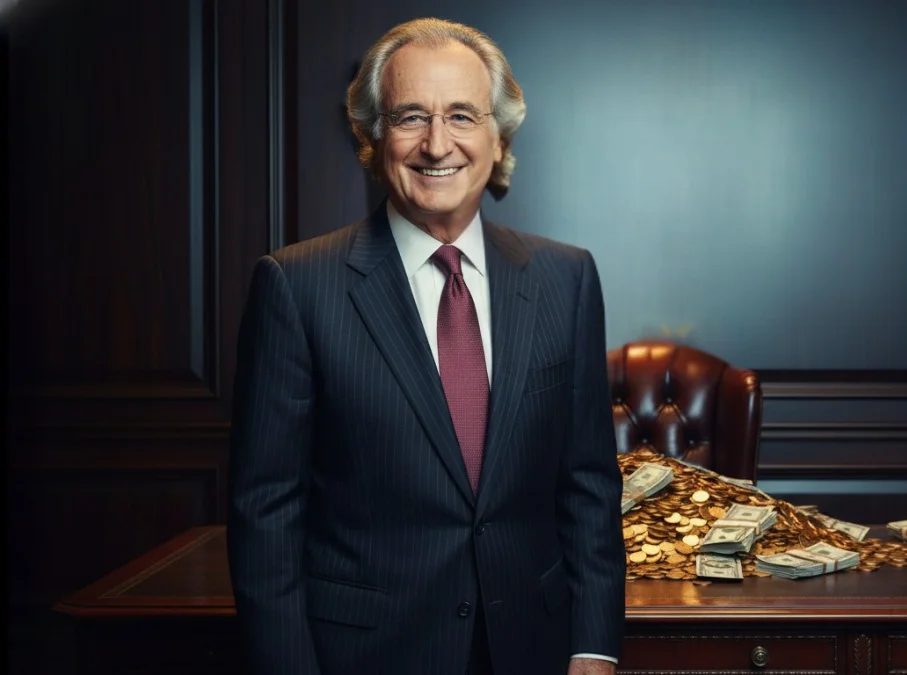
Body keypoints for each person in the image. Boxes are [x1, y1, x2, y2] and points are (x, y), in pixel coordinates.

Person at [227, 17, 625, 675]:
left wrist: (593, 645)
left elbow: (587, 485)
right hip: (365, 655)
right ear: (373, 136)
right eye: (412, 116)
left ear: (498, 138)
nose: (437, 144)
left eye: (462, 116)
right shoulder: (294, 286)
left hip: (535, 649)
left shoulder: (567, 278)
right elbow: (266, 515)